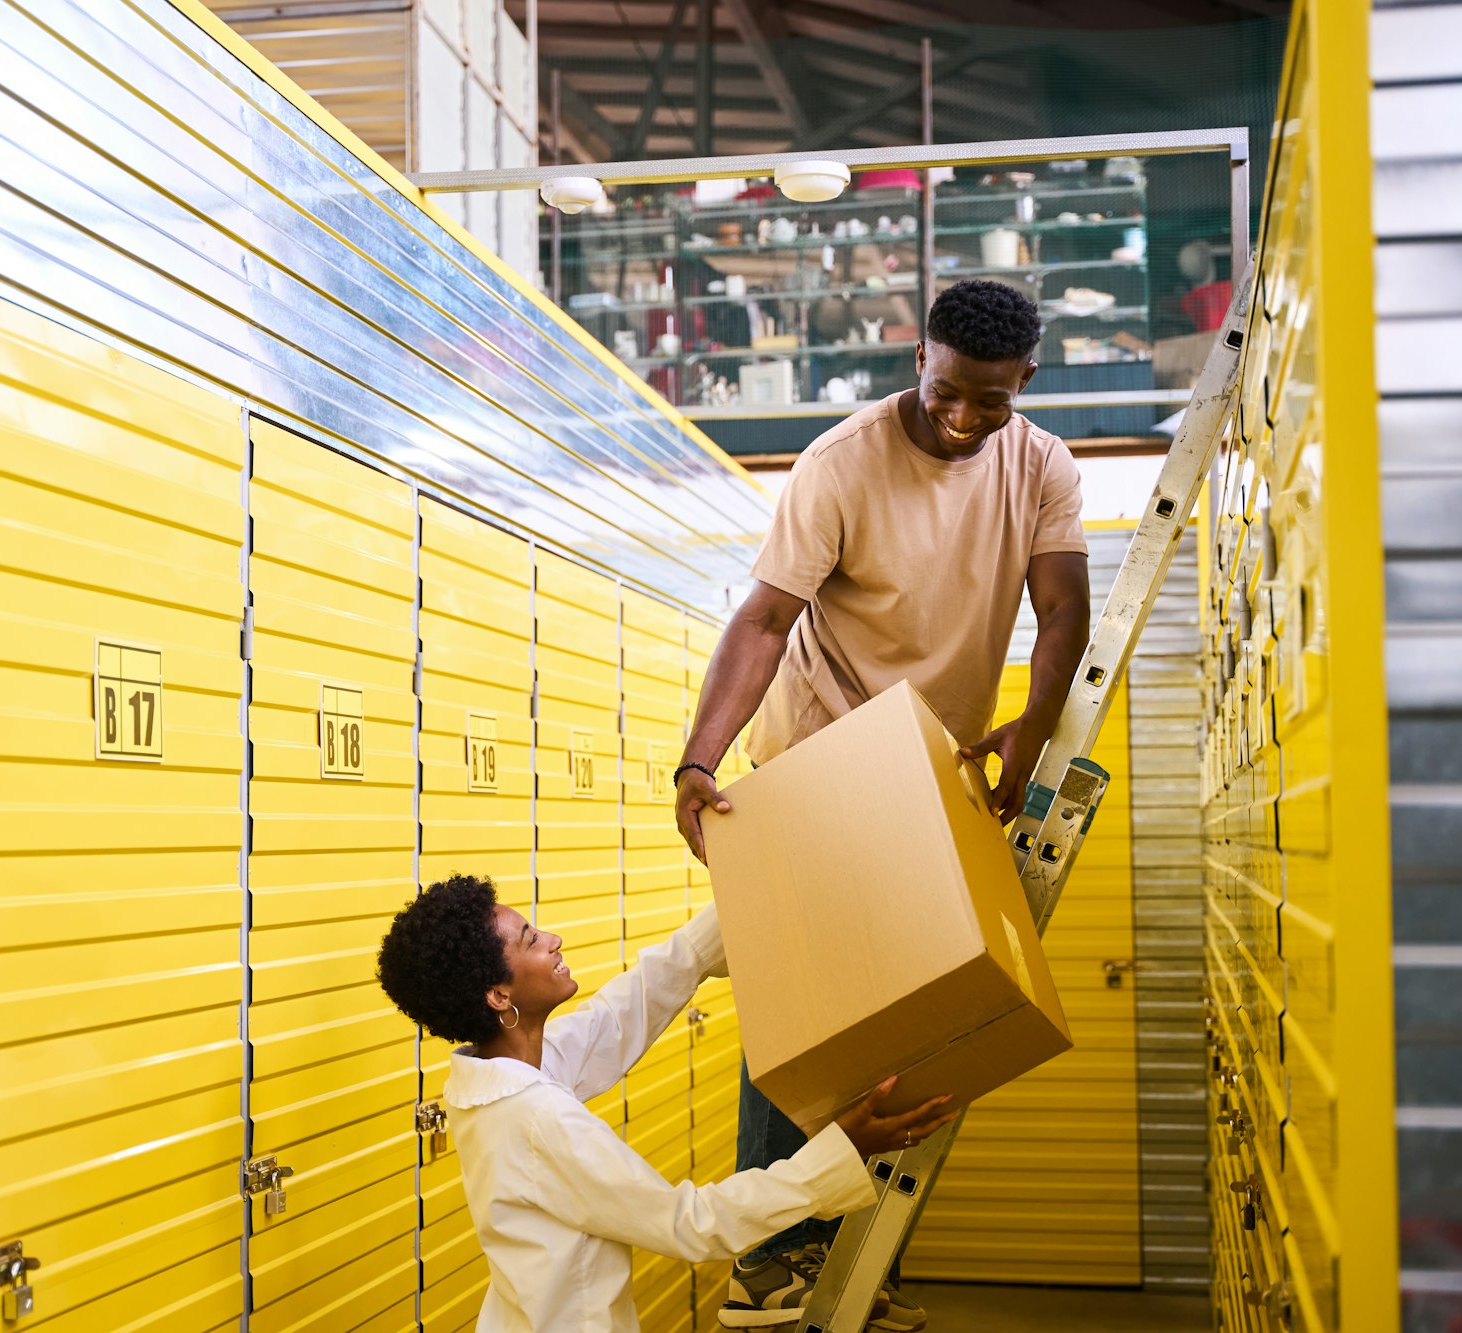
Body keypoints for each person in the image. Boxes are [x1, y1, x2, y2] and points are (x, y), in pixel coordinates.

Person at [672, 280, 1092, 1330]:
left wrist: (1033, 723)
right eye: (947, 391)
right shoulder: (841, 462)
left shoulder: (1038, 463)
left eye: (987, 403)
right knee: (806, 1004)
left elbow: (1061, 611)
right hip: (819, 754)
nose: (962, 418)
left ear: (1022, 384)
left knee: (898, 1015)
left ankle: (844, 1252)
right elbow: (765, 620)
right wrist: (699, 759)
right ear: (918, 356)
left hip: (928, 770)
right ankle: (766, 1259)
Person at [376, 873, 959, 1333]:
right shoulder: (534, 1118)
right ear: (499, 994)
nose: (552, 939)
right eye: (530, 939)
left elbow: (614, 1021)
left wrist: (736, 903)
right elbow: (693, 1225)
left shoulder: (503, 1073)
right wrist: (840, 1151)